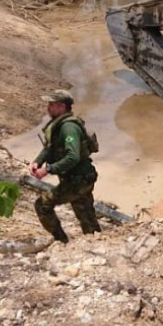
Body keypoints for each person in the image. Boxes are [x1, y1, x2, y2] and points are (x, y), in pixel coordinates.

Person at [29, 89, 100, 243]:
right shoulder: (59, 125)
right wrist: (38, 161)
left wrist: (47, 169)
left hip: (78, 180)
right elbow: (50, 148)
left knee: (42, 205)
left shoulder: (68, 128)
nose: (48, 107)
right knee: (86, 216)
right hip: (80, 178)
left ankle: (62, 241)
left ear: (62, 107)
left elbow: (72, 156)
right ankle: (96, 241)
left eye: (52, 104)